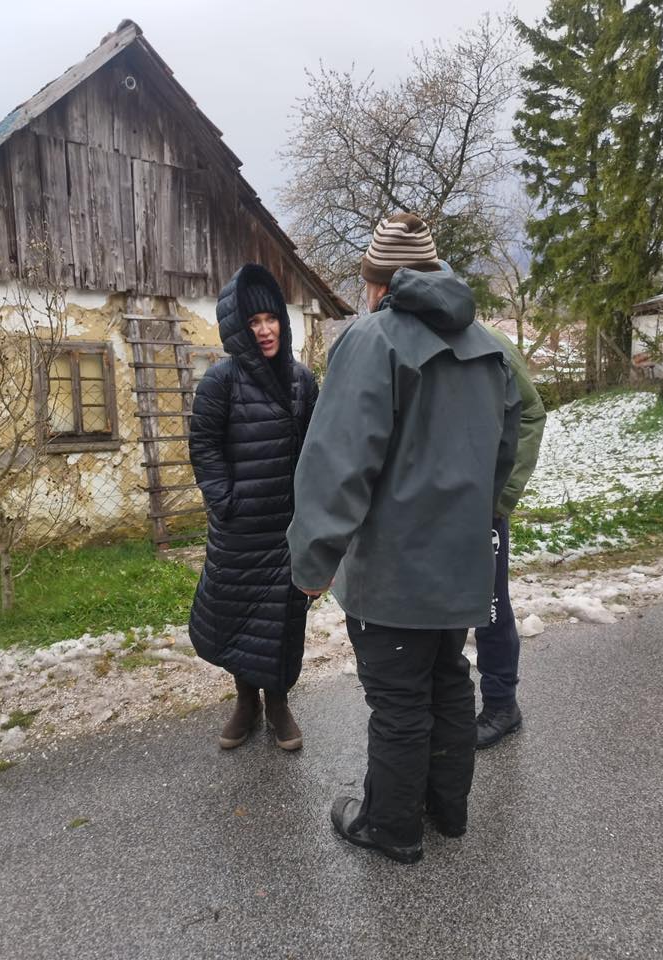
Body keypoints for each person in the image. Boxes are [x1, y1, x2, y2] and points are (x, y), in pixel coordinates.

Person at [287, 213, 521, 864]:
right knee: (448, 680)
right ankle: (448, 811)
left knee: (398, 699)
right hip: (461, 562)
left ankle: (390, 827)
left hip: (394, 571)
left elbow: (338, 461)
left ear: (377, 284)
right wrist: (477, 515)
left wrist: (312, 560)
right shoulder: (487, 344)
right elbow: (505, 447)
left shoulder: (373, 340)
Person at [188, 263, 318, 752]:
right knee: (237, 618)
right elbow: (204, 446)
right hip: (239, 531)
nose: (264, 330)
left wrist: (313, 513)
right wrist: (225, 502)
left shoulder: (302, 381)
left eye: (271, 319)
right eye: (253, 322)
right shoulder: (220, 381)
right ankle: (246, 701)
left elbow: (316, 451)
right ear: (238, 329)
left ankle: (279, 703)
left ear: (282, 321)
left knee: (283, 622)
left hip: (287, 530)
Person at [473, 324, 546, 749]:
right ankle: (443, 708)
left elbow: (531, 413)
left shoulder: (490, 343)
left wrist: (501, 497)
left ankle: (502, 705)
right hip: (429, 515)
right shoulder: (403, 340)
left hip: (484, 508)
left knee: (491, 607)